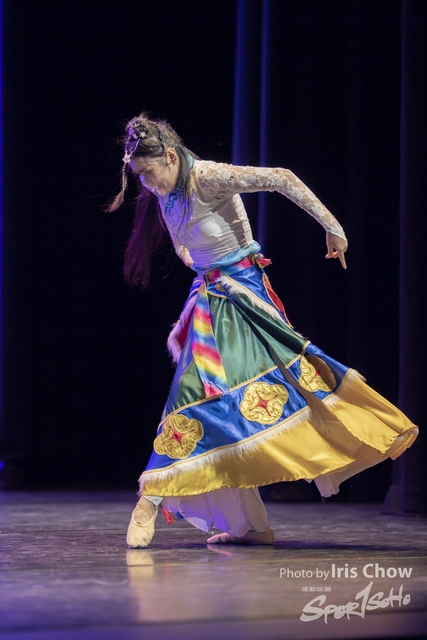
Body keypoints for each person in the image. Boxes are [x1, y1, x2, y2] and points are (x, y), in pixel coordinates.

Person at [108, 113, 418, 548]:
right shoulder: (167, 190)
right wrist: (198, 269)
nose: (147, 183)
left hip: (241, 299)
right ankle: (250, 525)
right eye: (140, 175)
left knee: (197, 392)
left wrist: (333, 227)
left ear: (172, 157)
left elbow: (281, 178)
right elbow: (186, 241)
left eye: (149, 172)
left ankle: (150, 500)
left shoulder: (209, 177)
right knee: (223, 404)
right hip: (213, 299)